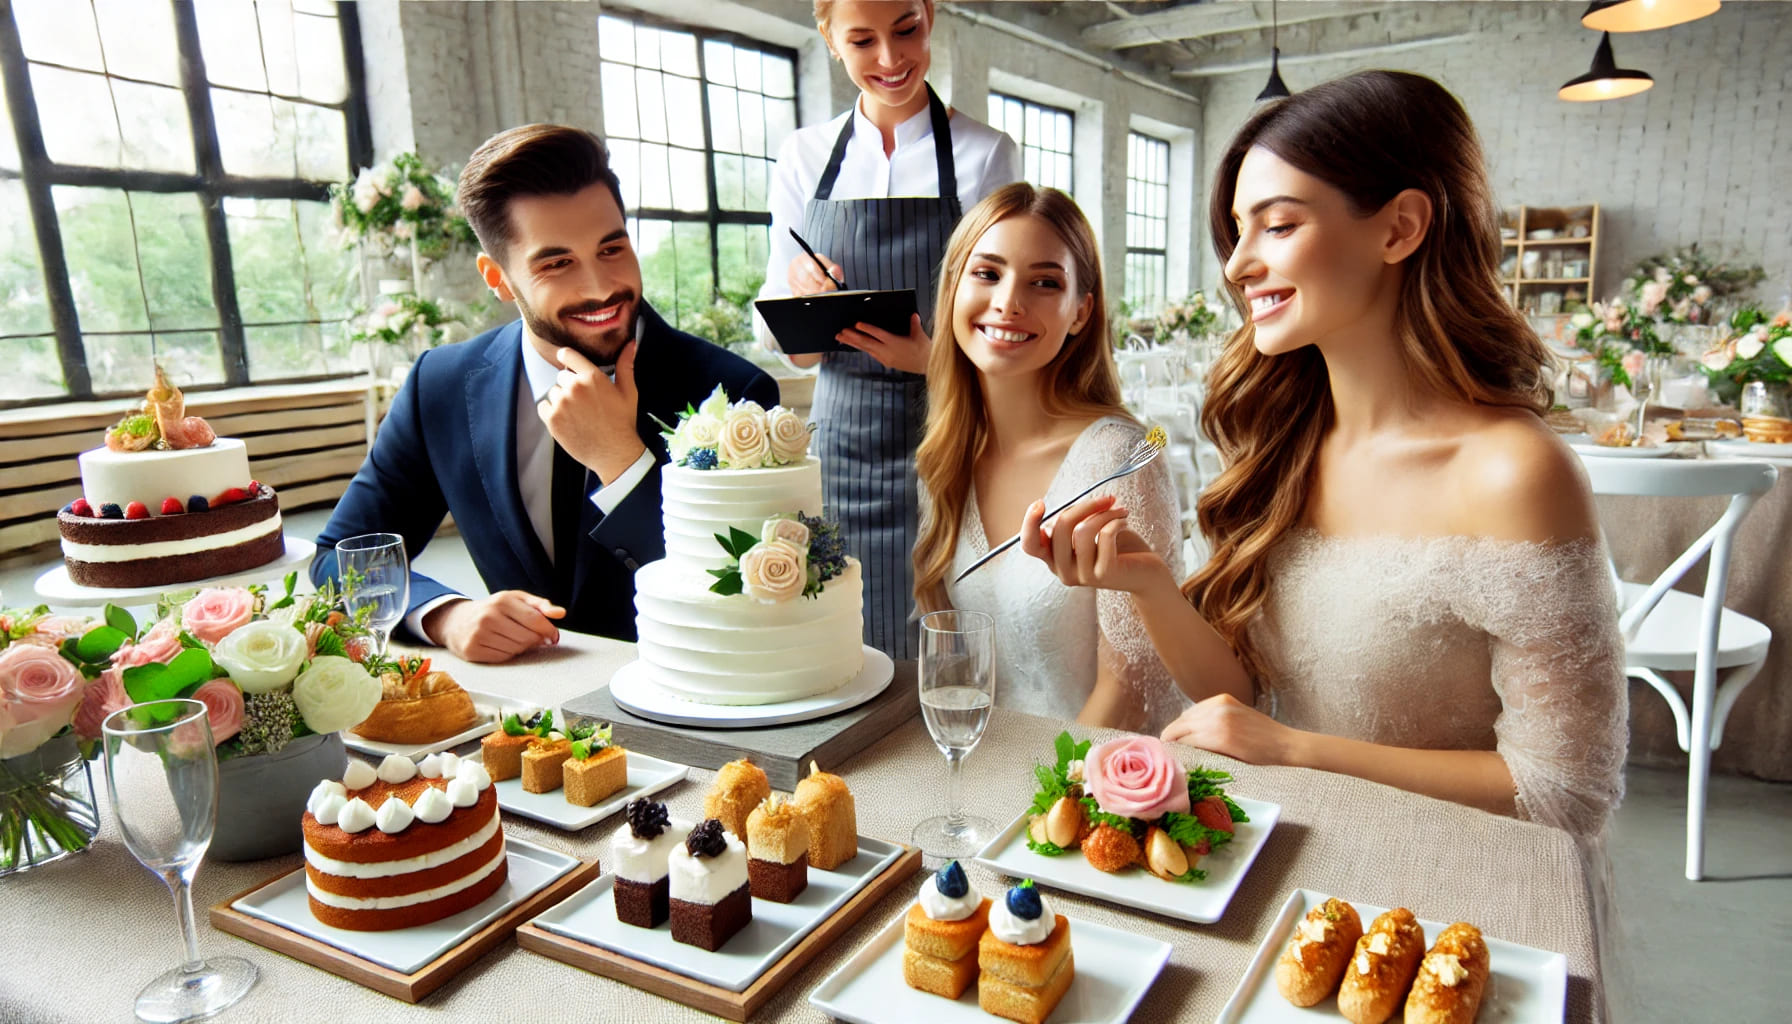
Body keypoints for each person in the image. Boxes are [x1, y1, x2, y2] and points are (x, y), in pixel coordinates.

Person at [1021, 71, 1626, 843]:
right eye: (1236, 231)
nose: (1238, 265)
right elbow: (1240, 700)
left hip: (1460, 893)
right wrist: (1147, 584)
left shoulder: (1513, 473)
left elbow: (1565, 791)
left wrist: (1295, 752)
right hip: (1293, 860)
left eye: (1276, 226)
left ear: (1400, 227)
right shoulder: (1288, 440)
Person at [313, 125, 778, 663]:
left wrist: (621, 463)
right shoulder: (438, 385)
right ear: (499, 278)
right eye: (557, 263)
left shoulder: (736, 395)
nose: (601, 286)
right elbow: (340, 559)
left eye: (612, 248)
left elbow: (752, 598)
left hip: (694, 703)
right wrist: (445, 614)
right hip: (521, 717)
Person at [755, 0, 1020, 659]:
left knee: (948, 638)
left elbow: (1012, 331)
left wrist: (932, 360)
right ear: (828, 39)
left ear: (930, 13)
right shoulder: (804, 156)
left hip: (953, 440)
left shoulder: (985, 153)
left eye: (907, 29)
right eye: (862, 40)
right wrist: (803, 296)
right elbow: (798, 355)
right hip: (842, 451)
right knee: (846, 641)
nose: (891, 58)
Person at [913, 183, 1185, 735]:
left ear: (1081, 312)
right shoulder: (946, 457)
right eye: (987, 273)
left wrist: (1034, 804)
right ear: (952, 288)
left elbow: (1131, 690)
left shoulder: (1118, 458)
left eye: (1044, 283)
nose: (1009, 302)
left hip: (1083, 783)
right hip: (981, 765)